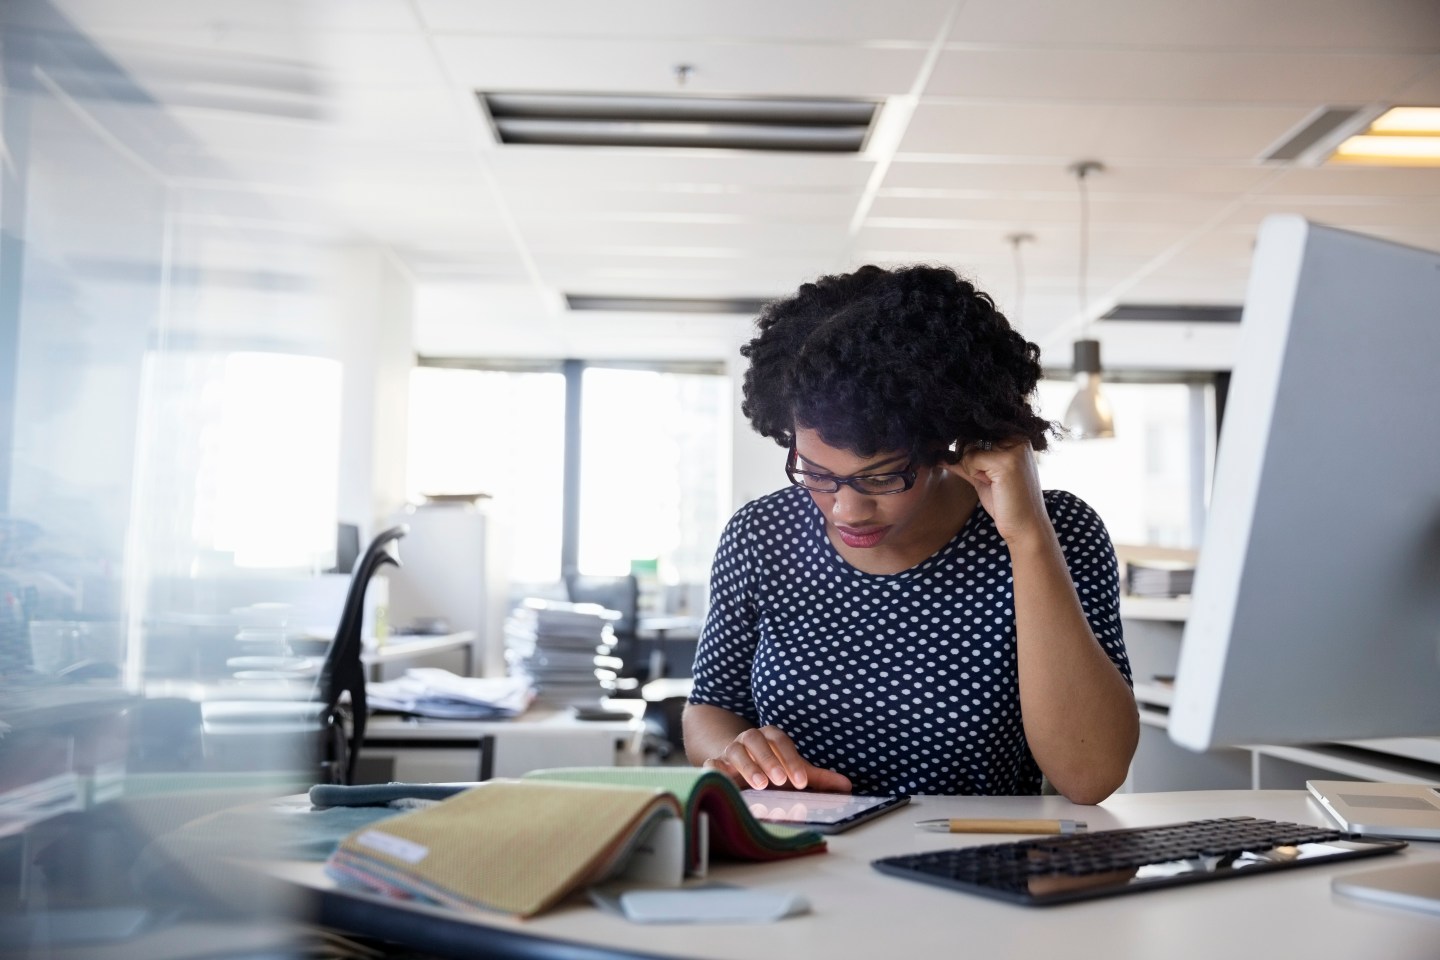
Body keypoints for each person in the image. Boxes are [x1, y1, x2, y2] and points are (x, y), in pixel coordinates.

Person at [682, 264, 1138, 804]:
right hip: (801, 857)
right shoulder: (762, 535)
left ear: (947, 445)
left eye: (882, 477)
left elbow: (1091, 776)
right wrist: (740, 751)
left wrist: (1026, 536)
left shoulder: (1058, 532)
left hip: (974, 866)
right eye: (818, 475)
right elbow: (709, 705)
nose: (847, 509)